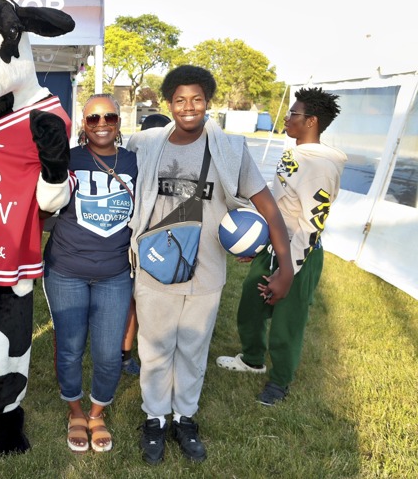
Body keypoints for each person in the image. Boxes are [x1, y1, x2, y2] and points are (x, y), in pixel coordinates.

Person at [126, 65, 294, 465]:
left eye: (197, 99)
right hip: (156, 266)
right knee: (155, 347)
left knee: (193, 348)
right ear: (169, 103)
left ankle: (184, 418)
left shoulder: (231, 150)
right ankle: (154, 419)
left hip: (206, 270)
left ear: (208, 102)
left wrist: (285, 266)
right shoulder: (145, 145)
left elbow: (269, 208)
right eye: (180, 100)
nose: (188, 107)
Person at [216, 88, 346, 405]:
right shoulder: (297, 153)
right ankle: (252, 359)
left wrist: (288, 271)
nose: (286, 118)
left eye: (293, 114)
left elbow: (312, 225)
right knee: (251, 305)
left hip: (300, 254)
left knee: (288, 321)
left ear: (311, 121)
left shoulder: (321, 166)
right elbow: (280, 206)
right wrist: (260, 241)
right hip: (273, 247)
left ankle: (280, 381)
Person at [43, 94, 137, 453]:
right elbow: (41, 201)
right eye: (93, 118)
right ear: (84, 123)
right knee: (69, 348)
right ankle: (76, 412)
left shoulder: (134, 161)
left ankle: (97, 414)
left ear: (118, 121)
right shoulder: (67, 158)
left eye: (109, 117)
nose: (101, 124)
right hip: (66, 270)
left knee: (109, 352)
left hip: (115, 273)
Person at [120, 111, 174, 377]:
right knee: (141, 302)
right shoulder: (142, 162)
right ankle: (130, 355)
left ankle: (127, 355)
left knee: (134, 301)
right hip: (153, 243)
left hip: (138, 240)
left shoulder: (132, 158)